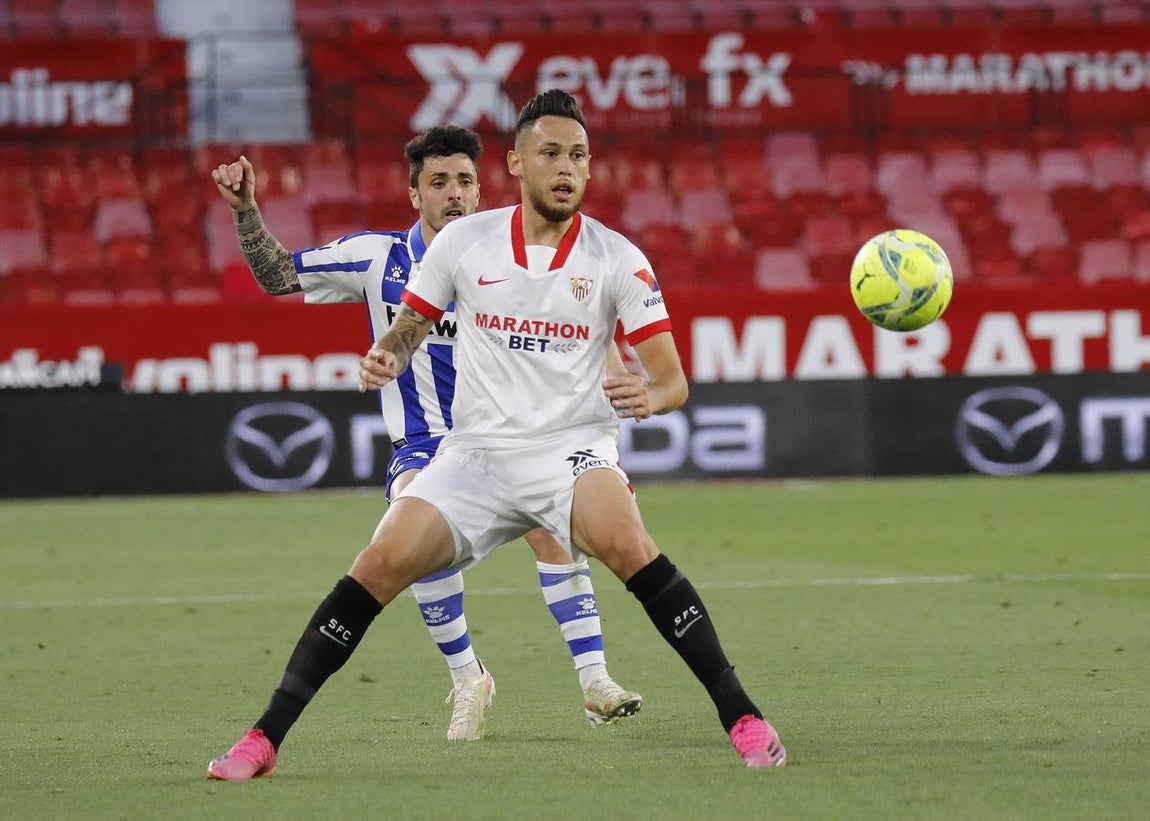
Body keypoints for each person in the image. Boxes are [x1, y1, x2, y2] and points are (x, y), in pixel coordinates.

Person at [206, 90, 786, 780]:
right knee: (377, 563)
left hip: (570, 448)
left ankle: (742, 716)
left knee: (629, 542)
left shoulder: (618, 259)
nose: (565, 167)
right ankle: (265, 737)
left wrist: (650, 395)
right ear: (517, 164)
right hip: (474, 454)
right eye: (550, 153)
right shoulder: (461, 244)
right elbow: (411, 321)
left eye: (577, 156)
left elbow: (673, 379)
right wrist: (390, 350)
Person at [209, 125, 641, 744]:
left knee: (556, 532)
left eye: (465, 180)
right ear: (415, 195)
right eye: (438, 183)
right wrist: (247, 208)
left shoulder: (512, 257)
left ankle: (595, 681)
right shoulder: (378, 258)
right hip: (428, 443)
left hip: (514, 437)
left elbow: (580, 323)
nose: (455, 195)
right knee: (410, 516)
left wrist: (611, 377)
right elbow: (279, 276)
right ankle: (468, 676)